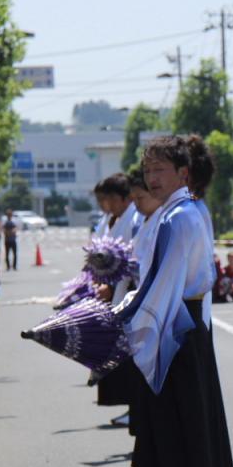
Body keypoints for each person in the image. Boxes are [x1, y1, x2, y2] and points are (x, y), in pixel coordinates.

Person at [120, 135, 233, 467]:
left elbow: (161, 285)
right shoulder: (180, 213)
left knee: (178, 434)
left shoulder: (178, 218)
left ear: (182, 174)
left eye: (160, 170)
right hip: (180, 331)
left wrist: (121, 321)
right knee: (176, 433)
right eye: (148, 170)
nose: (151, 178)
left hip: (174, 332)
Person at [93, 172, 140, 427]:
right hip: (115, 291)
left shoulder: (135, 219)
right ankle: (132, 406)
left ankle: (136, 408)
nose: (105, 205)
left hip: (128, 293)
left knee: (133, 358)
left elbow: (132, 261)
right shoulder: (116, 219)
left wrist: (112, 286)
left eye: (109, 199)